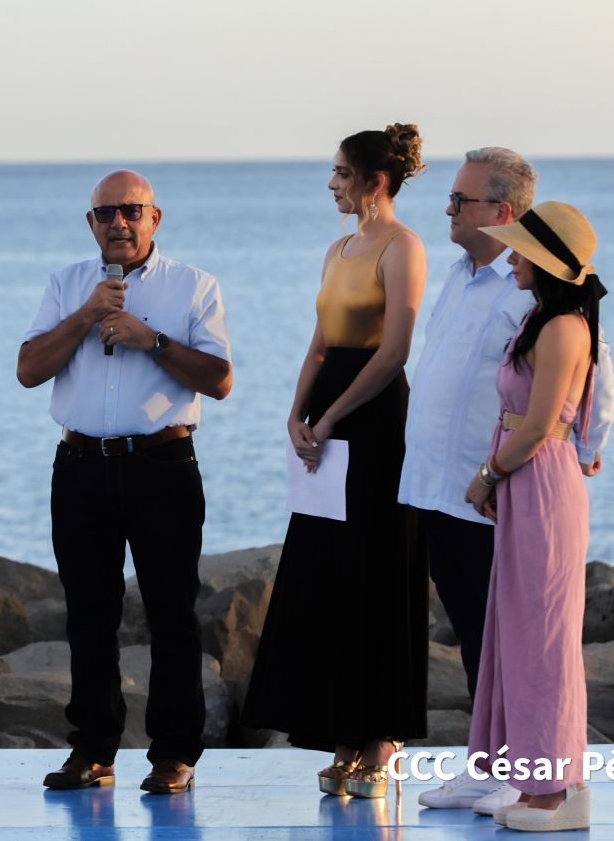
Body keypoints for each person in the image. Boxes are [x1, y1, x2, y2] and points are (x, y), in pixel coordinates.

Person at [401, 148, 614, 812]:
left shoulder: (537, 302)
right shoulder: (461, 279)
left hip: (503, 489)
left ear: (502, 211)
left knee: (517, 634)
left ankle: (519, 772)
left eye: (460, 200)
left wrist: (580, 449)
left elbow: (594, 379)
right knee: (483, 633)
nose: (448, 209)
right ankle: (489, 762)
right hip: (441, 485)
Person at [18, 169, 232, 794]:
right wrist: (87, 315)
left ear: (154, 218)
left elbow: (219, 380)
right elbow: (29, 370)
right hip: (80, 465)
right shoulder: (68, 286)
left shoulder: (193, 286)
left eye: (131, 211)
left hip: (162, 464)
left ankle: (173, 754)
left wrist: (151, 339)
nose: (119, 223)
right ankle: (92, 749)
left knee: (172, 613)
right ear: (90, 223)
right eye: (106, 213)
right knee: (88, 615)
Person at [242, 124, 429, 799]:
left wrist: (330, 417)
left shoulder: (402, 247)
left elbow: (393, 353)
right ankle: (342, 736)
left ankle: (381, 741)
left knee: (375, 571)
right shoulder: (339, 247)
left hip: (374, 424)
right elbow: (319, 344)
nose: (332, 183)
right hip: (327, 421)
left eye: (341, 172)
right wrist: (294, 413)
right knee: (326, 575)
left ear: (374, 181)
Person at [461, 202, 605, 832]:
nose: (512, 258)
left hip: (539, 480)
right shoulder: (543, 321)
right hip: (529, 480)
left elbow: (544, 423)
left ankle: (554, 790)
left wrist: (488, 474)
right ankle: (541, 780)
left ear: (545, 262)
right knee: (522, 634)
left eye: (520, 251)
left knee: (543, 640)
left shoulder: (562, 328)